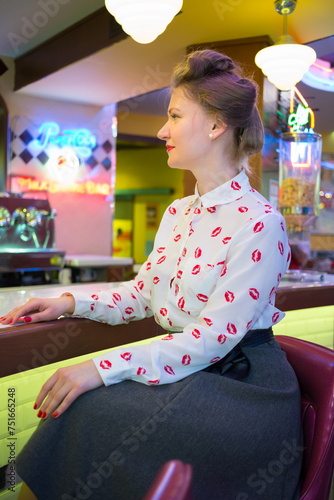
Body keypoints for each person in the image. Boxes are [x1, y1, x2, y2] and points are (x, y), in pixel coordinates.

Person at [3, 50, 302, 500]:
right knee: (89, 409)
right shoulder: (179, 212)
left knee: (93, 408)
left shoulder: (260, 223)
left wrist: (99, 368)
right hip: (195, 374)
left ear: (216, 126)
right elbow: (142, 295)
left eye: (175, 115)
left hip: (243, 388)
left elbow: (211, 339)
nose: (162, 129)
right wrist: (69, 303)